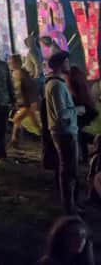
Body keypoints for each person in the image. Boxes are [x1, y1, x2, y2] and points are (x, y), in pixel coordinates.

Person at [45, 51, 84, 215]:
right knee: (68, 171)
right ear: (61, 64)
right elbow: (61, 113)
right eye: (67, 61)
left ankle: (70, 205)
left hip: (64, 131)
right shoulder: (57, 86)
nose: (69, 64)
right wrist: (77, 110)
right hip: (64, 132)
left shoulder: (55, 83)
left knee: (68, 170)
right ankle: (69, 208)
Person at [8, 54, 40, 148]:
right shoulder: (19, 73)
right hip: (25, 103)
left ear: (17, 63)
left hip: (26, 104)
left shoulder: (20, 74)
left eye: (11, 63)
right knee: (33, 123)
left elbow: (27, 88)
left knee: (16, 120)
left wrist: (32, 102)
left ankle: (14, 140)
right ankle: (43, 135)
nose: (9, 64)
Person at [67, 66, 98, 162]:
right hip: (88, 117)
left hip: (81, 121)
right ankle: (85, 156)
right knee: (81, 134)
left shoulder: (72, 93)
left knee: (79, 134)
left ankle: (83, 156)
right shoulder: (84, 88)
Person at [87, 135, 101, 204]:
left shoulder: (96, 158)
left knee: (95, 178)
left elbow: (91, 177)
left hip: (97, 190)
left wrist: (89, 196)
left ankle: (92, 197)